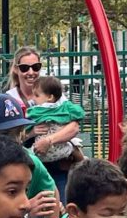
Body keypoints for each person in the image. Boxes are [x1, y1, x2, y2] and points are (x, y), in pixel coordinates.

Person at [0, 92, 60, 218]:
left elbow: (52, 195)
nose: (16, 140)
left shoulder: (28, 160)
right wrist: (25, 213)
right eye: (6, 134)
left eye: (19, 132)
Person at [27, 75, 85, 203]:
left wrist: (49, 140)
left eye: (36, 66)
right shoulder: (61, 106)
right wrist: (31, 133)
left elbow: (74, 126)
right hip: (41, 164)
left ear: (50, 97)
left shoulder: (41, 108)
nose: (31, 72)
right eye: (25, 67)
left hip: (56, 163)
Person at [5, 45, 43, 111]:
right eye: (24, 68)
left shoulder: (53, 93)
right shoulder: (9, 99)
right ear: (16, 69)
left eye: (36, 67)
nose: (31, 72)